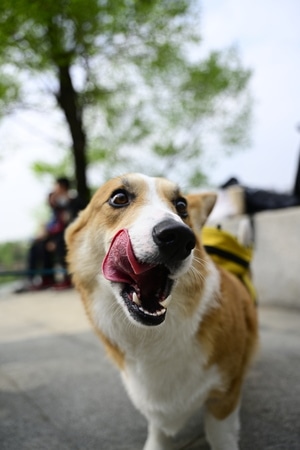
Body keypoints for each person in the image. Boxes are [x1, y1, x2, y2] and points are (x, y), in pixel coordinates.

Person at [17, 177, 85, 292]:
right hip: (57, 235)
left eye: (56, 186)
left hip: (71, 235)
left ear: (62, 187)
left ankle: (67, 278)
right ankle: (42, 278)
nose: (54, 189)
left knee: (58, 244)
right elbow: (56, 224)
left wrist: (53, 239)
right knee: (37, 245)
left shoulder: (74, 201)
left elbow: (70, 224)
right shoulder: (58, 205)